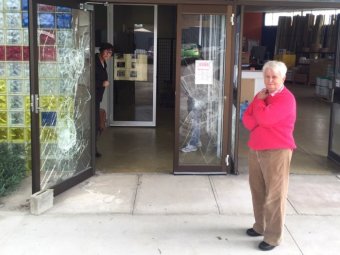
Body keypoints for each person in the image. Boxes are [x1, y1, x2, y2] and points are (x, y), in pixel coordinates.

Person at [242, 60, 296, 251]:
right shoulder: (261, 95)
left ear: (283, 77)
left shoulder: (286, 98)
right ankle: (260, 226)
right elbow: (247, 120)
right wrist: (260, 111)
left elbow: (264, 118)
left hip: (277, 151)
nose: (270, 80)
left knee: (274, 195)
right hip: (256, 148)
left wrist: (259, 110)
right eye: (267, 76)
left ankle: (273, 237)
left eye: (274, 76)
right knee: (257, 190)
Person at [95, 42, 114, 157]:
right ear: (102, 51)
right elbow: (89, 79)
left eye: (110, 53)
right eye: (107, 51)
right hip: (92, 96)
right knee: (95, 123)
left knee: (97, 123)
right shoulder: (94, 61)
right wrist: (102, 83)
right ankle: (92, 150)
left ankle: (94, 148)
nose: (108, 54)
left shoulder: (103, 63)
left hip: (98, 97)